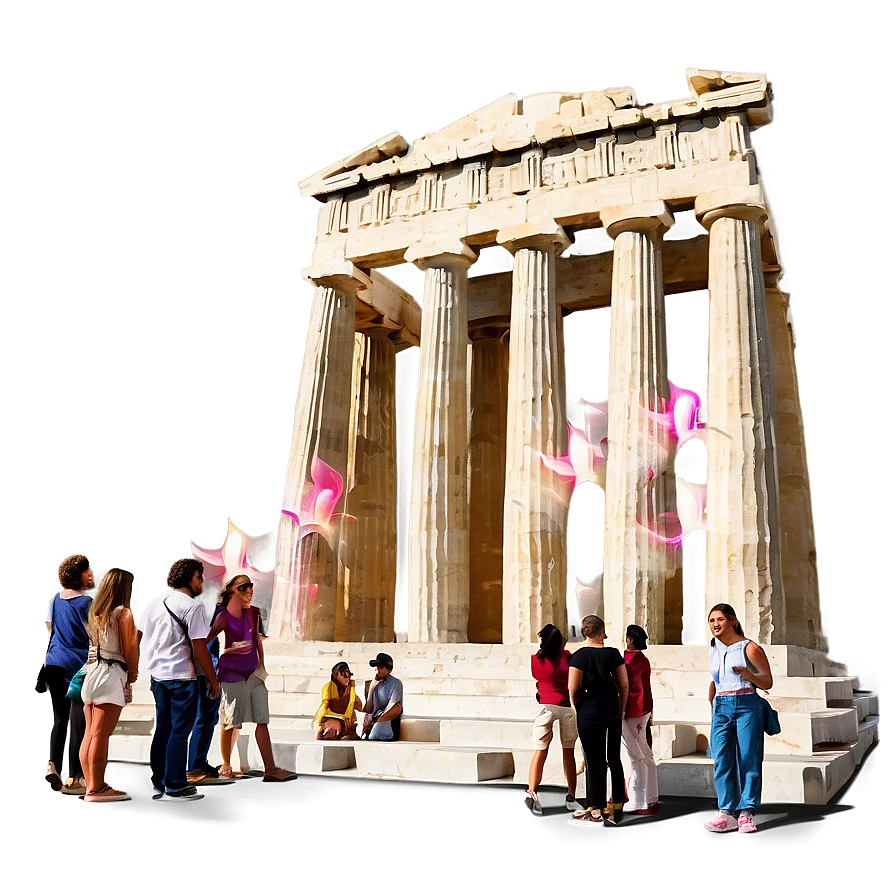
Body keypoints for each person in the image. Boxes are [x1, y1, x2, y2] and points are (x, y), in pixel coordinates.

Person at [136, 558, 220, 800]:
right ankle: (175, 783)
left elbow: (138, 636)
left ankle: (157, 783)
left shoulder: (153, 603)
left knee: (162, 729)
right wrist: (212, 680)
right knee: (180, 731)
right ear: (189, 578)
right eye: (199, 577)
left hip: (158, 676)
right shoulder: (192, 607)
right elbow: (200, 647)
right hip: (182, 677)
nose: (202, 583)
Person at [207, 574, 293, 781]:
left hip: (254, 674)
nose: (250, 591)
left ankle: (270, 768)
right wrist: (218, 662)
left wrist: (262, 666)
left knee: (262, 719)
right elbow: (206, 640)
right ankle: (226, 765)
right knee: (230, 720)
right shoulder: (223, 617)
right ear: (232, 591)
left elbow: (257, 640)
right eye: (244, 587)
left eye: (251, 586)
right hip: (232, 674)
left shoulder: (254, 613)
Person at [703, 603, 773, 833]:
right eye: (712, 620)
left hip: (746, 704)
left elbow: (768, 682)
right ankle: (726, 812)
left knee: (748, 759)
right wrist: (713, 699)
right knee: (721, 759)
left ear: (732, 621)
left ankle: (746, 812)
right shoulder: (714, 647)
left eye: (720, 619)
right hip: (722, 705)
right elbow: (716, 678)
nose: (715, 624)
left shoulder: (749, 648)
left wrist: (748, 675)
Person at [79, 568, 140, 801]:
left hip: (93, 674)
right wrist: (132, 674)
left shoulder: (97, 613)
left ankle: (91, 786)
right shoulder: (123, 613)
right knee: (101, 735)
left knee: (90, 733)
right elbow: (129, 649)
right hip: (112, 674)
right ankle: (97, 788)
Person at [567, 615, 628, 826]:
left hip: (589, 711)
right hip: (611, 708)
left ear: (585, 632)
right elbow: (624, 685)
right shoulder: (613, 654)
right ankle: (617, 805)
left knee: (595, 760)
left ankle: (596, 807)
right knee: (614, 757)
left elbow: (573, 688)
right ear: (602, 632)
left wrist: (578, 708)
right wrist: (622, 708)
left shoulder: (579, 656)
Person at [43, 554, 93, 795]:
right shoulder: (87, 602)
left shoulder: (53, 600)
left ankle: (52, 764)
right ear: (78, 575)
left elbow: (49, 628)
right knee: (78, 720)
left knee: (60, 719)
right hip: (77, 667)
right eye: (87, 571)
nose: (91, 574)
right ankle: (76, 775)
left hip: (53, 663)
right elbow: (95, 634)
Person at [523, 624, 578, 815]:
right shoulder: (568, 659)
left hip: (545, 707)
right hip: (566, 707)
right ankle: (571, 795)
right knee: (568, 751)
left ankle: (532, 791)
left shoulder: (536, 661)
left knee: (540, 751)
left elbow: (539, 678)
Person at [621, 624, 659, 815]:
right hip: (644, 708)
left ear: (629, 639)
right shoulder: (643, 659)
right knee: (646, 753)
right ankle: (652, 798)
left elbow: (624, 685)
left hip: (630, 709)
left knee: (633, 756)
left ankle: (638, 801)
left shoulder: (626, 660)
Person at [314, 662, 363, 740]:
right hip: (332, 717)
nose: (348, 678)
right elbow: (325, 705)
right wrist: (319, 721)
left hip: (348, 721)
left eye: (349, 674)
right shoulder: (328, 687)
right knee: (331, 730)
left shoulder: (351, 688)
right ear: (335, 676)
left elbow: (360, 706)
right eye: (344, 675)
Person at [361, 652, 403, 741]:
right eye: (376, 668)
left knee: (376, 734)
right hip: (372, 722)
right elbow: (368, 709)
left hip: (388, 722)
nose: (378, 671)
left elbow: (396, 707)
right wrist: (372, 687)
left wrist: (380, 720)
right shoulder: (371, 684)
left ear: (389, 669)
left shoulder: (396, 683)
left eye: (381, 668)